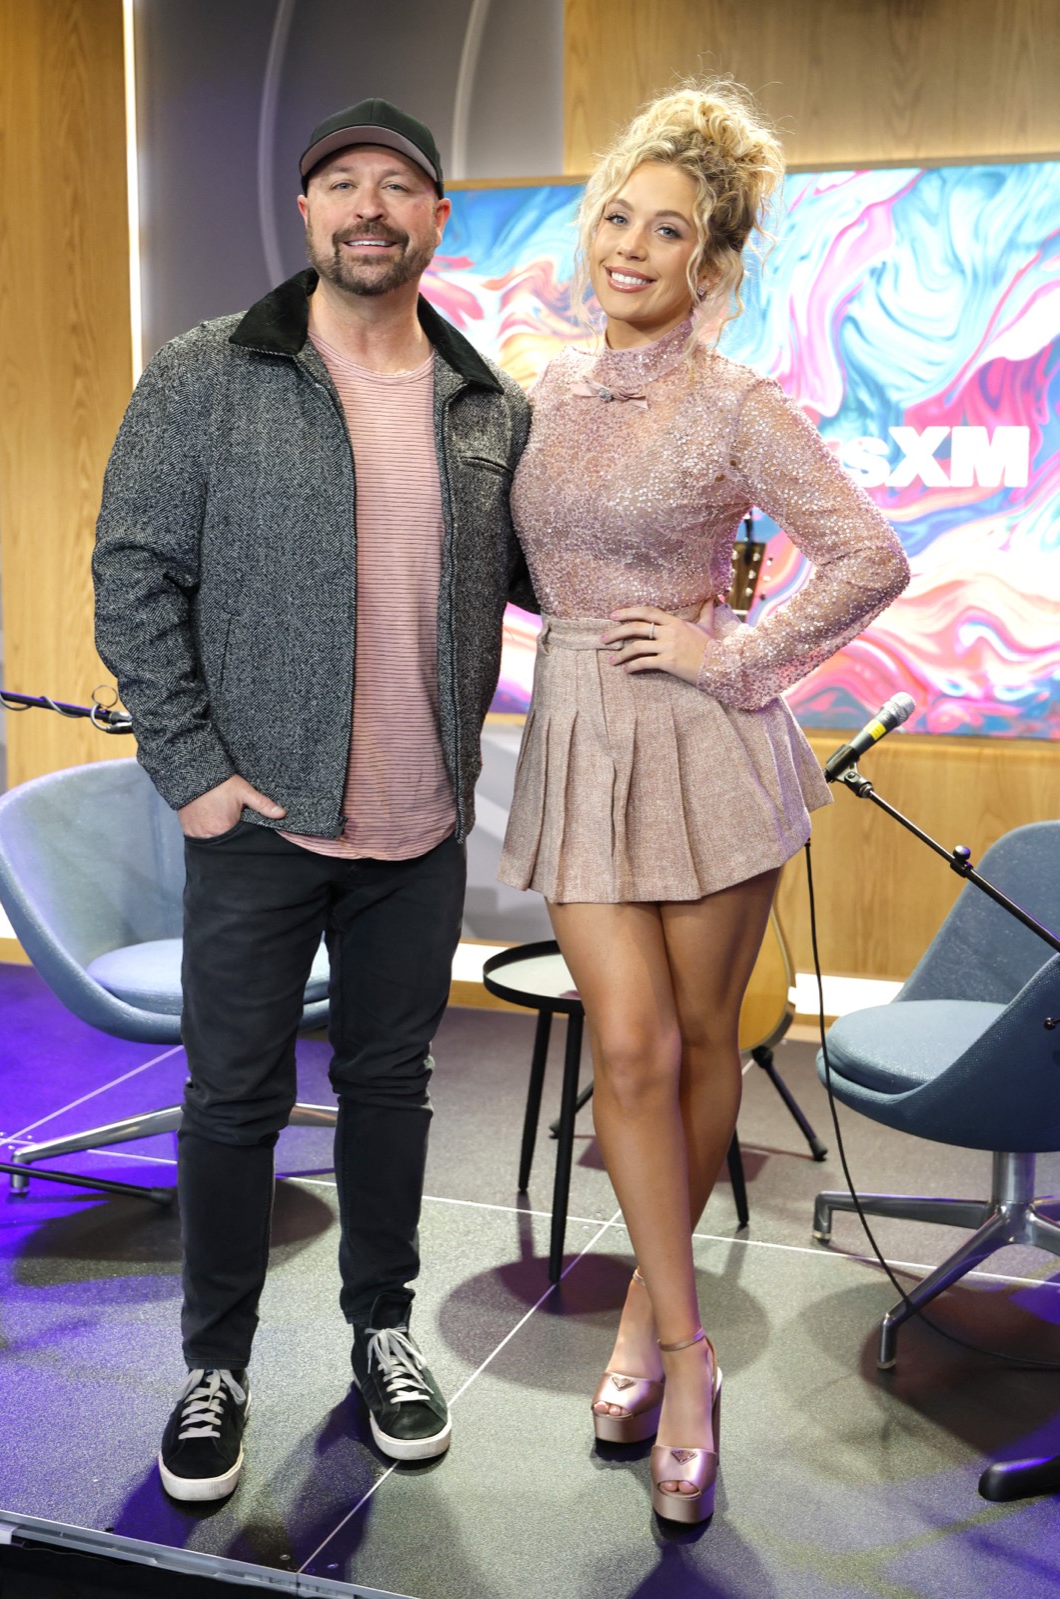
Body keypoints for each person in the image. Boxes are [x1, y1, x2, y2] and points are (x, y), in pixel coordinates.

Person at [93, 98, 531, 1502]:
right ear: (306, 210)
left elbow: (552, 571)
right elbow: (132, 576)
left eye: (398, 186)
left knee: (390, 1092)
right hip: (261, 822)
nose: (369, 207)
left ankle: (382, 1334)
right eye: (342, 182)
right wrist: (193, 774)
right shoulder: (207, 373)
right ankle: (214, 1366)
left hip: (420, 825)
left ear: (437, 218)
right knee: (232, 1101)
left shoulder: (487, 404)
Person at [498, 80, 909, 1524]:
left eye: (665, 230)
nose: (630, 246)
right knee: (624, 1047)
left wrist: (728, 653)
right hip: (576, 736)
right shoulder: (540, 385)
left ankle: (647, 1326)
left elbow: (867, 556)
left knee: (693, 1043)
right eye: (616, 216)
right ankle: (689, 1352)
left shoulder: (738, 403)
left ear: (710, 263)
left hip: (705, 747)